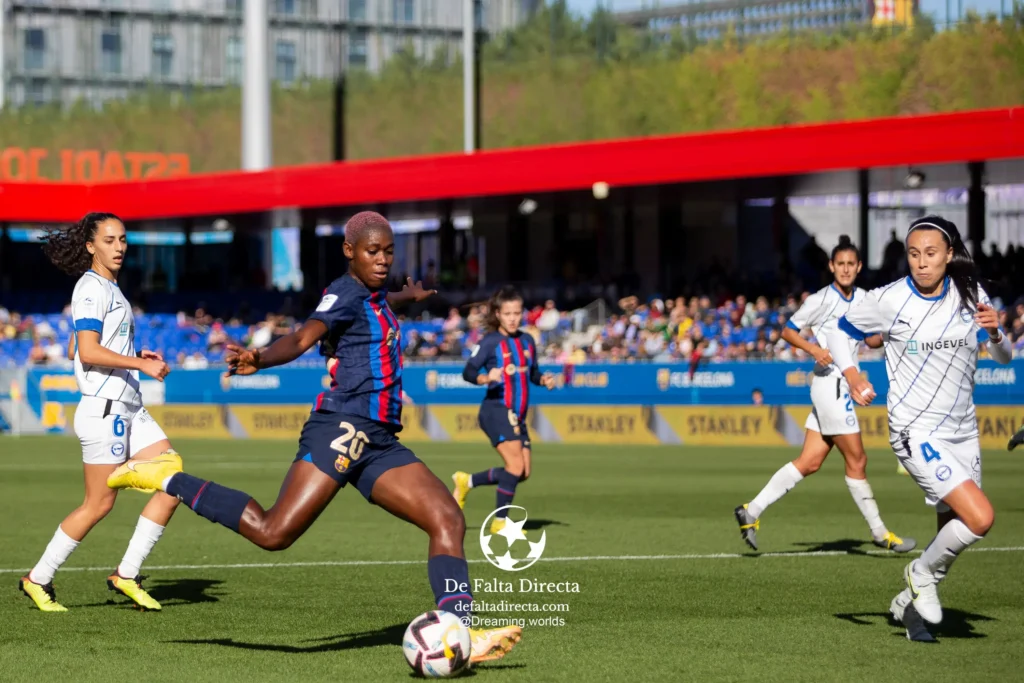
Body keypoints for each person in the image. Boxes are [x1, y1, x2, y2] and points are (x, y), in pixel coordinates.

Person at [105, 212, 522, 664]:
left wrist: (407, 296)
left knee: (447, 518)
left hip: (378, 439)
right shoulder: (344, 293)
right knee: (272, 532)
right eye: (372, 252)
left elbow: (375, 305)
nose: (382, 260)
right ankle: (170, 479)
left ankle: (460, 631)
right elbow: (304, 336)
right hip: (344, 426)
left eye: (388, 252)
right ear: (349, 252)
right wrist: (259, 359)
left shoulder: (373, 293)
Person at [824, 215, 1012, 640]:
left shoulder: (971, 293)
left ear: (949, 254)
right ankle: (919, 575)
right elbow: (840, 333)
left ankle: (909, 607)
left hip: (963, 430)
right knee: (980, 518)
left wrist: (997, 333)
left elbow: (1003, 357)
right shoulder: (888, 299)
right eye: (913, 254)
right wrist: (853, 374)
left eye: (930, 254)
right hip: (915, 430)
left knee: (954, 530)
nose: (922, 263)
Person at [21, 212, 178, 612]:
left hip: (129, 406)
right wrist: (140, 365)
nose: (119, 247)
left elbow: (78, 349)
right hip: (106, 410)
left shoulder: (112, 289)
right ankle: (38, 579)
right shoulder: (91, 288)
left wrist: (132, 355)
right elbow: (88, 352)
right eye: (109, 240)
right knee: (98, 505)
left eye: (123, 239)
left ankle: (126, 573)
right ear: (91, 246)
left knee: (174, 480)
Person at [734, 236, 915, 553]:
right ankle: (880, 532)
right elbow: (788, 330)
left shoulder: (864, 299)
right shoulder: (821, 299)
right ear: (832, 267)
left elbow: (870, 340)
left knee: (809, 462)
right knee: (857, 459)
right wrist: (814, 348)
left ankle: (751, 511)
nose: (845, 269)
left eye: (851, 264)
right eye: (840, 264)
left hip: (838, 386)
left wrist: (892, 333)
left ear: (858, 267)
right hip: (831, 384)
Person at [450, 286, 556, 530]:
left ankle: (467, 481)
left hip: (517, 416)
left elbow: (533, 372)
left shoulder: (527, 340)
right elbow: (468, 371)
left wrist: (543, 379)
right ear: (498, 314)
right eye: (507, 313)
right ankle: (500, 522)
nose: (512, 318)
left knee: (522, 472)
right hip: (496, 410)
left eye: (517, 313)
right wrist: (486, 378)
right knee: (515, 466)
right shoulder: (490, 342)